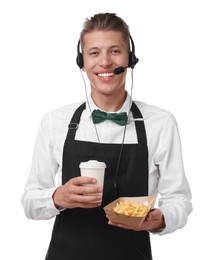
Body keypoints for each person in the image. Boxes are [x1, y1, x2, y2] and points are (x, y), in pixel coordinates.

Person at [21, 13, 193, 260]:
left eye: (115, 51)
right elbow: (30, 200)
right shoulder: (55, 121)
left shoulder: (161, 122)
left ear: (130, 59)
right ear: (81, 61)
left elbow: (179, 198)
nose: (105, 62)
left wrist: (160, 219)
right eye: (94, 53)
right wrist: (57, 197)